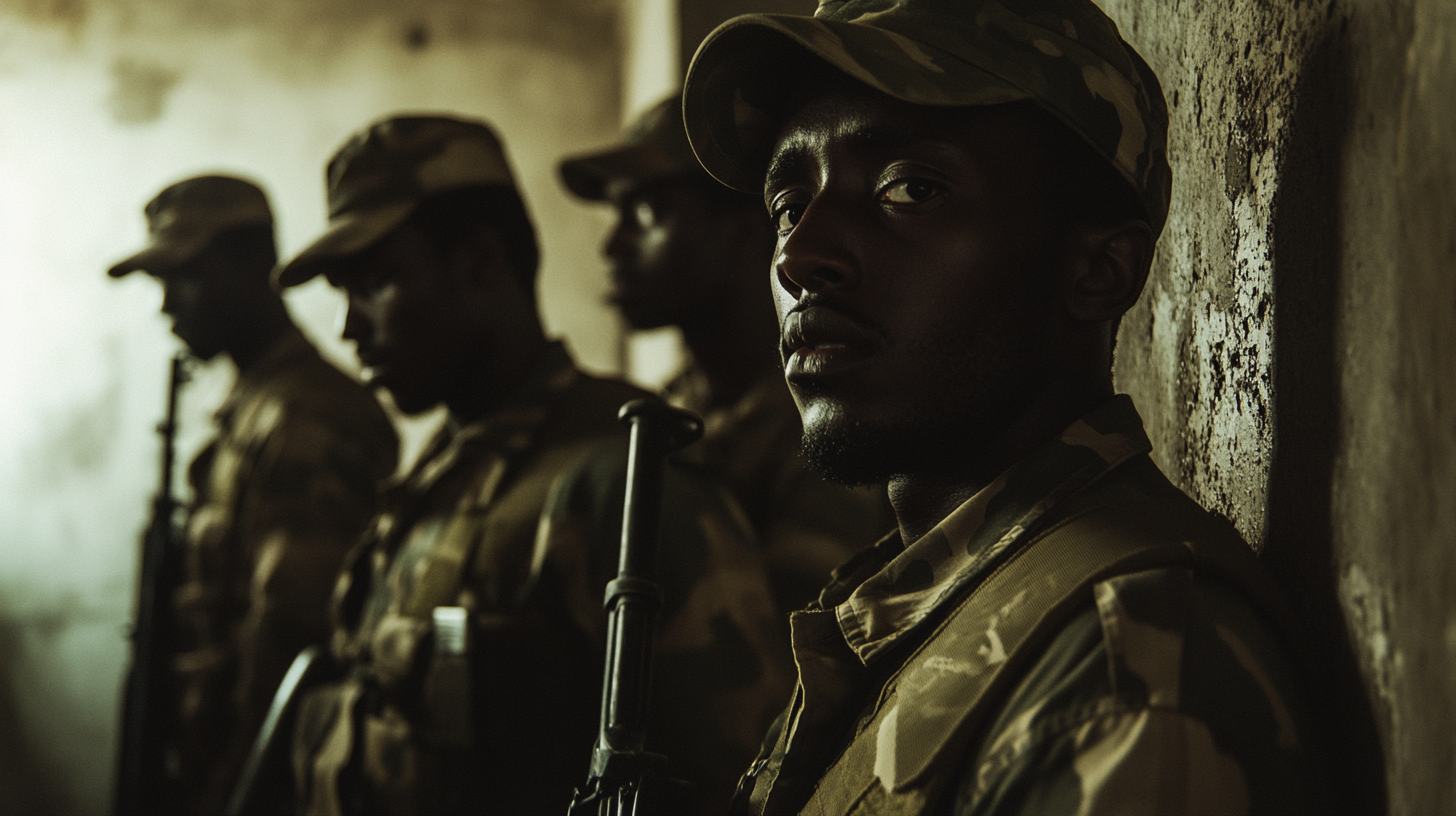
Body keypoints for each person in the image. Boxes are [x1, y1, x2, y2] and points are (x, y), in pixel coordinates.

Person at [678, 1, 1333, 813]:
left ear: (1099, 270)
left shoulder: (1125, 675)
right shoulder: (922, 605)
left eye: (910, 188)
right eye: (788, 203)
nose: (799, 255)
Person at [275, 115, 791, 816]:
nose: (351, 329)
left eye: (377, 283)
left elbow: (730, 781)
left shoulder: (625, 478)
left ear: (482, 263)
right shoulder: (447, 468)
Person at [108, 175, 399, 815]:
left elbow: (293, 651)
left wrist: (234, 797)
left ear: (251, 265)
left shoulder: (306, 418)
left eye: (183, 277)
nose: (167, 306)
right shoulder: (256, 409)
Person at [560, 96, 894, 617]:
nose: (612, 247)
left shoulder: (825, 417)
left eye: (645, 215)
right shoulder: (674, 406)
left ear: (740, 230)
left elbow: (791, 651)